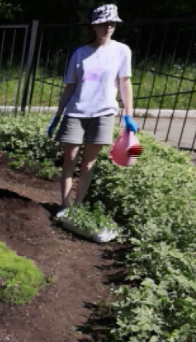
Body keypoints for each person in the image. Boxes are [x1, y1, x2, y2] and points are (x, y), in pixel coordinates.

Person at [47, 4, 137, 217]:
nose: (108, 27)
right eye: (104, 23)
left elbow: (124, 84)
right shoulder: (80, 54)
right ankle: (64, 204)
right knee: (70, 158)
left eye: (112, 23)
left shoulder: (122, 51)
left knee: (89, 162)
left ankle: (77, 207)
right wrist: (58, 115)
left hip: (103, 113)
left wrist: (128, 115)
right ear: (93, 26)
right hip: (76, 112)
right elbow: (70, 85)